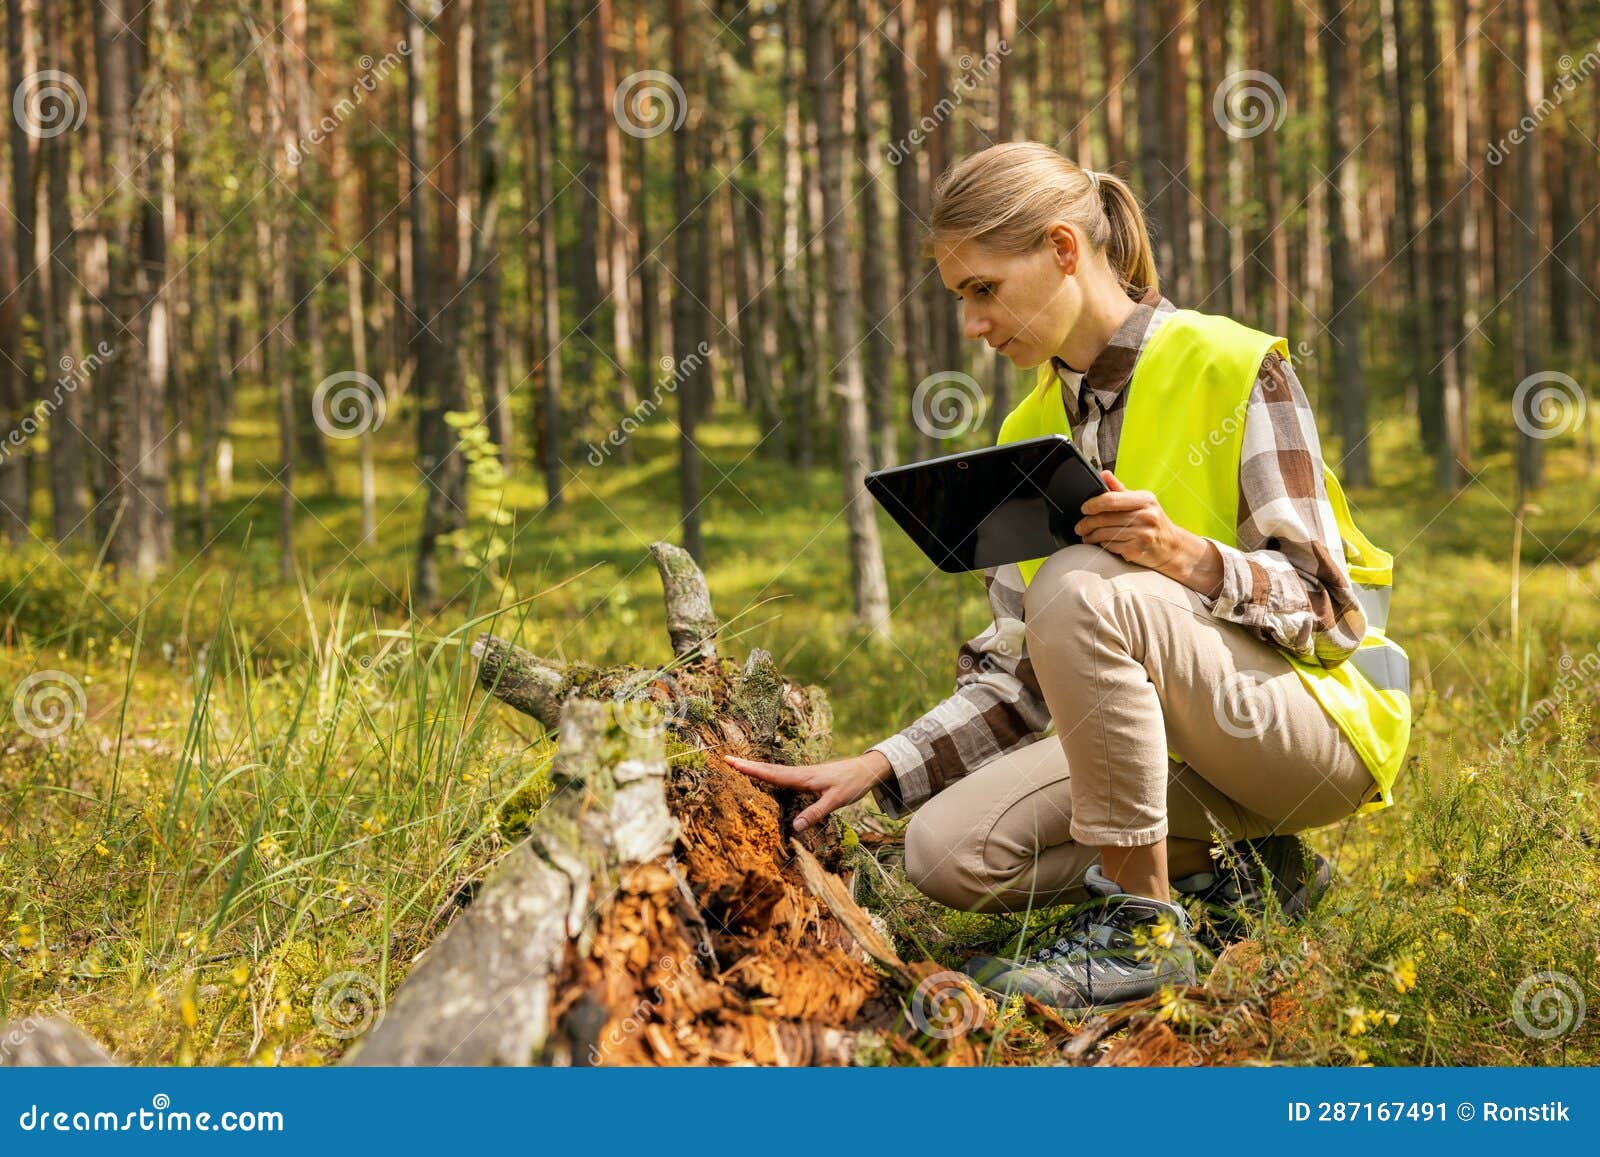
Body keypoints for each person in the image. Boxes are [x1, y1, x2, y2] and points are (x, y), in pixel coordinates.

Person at [727, 141, 1411, 1012]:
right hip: (1181, 753)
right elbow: (1021, 672)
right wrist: (877, 766)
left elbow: (1331, 611)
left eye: (983, 289)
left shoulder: (1233, 364)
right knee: (944, 849)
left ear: (1061, 249)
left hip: (1314, 731)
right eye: (959, 297)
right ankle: (1248, 870)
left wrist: (1188, 558)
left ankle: (1143, 929)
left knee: (1078, 582)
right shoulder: (1030, 426)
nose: (972, 323)